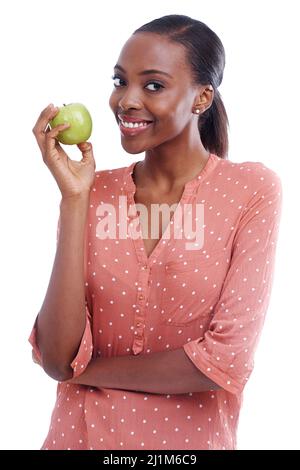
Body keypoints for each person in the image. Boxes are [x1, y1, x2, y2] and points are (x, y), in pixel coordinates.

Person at [29, 14, 282, 450]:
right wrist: (75, 199)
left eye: (153, 85)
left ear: (202, 98)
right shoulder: (93, 191)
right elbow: (57, 356)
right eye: (119, 81)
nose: (126, 100)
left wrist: (88, 371)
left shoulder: (250, 190)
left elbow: (225, 362)